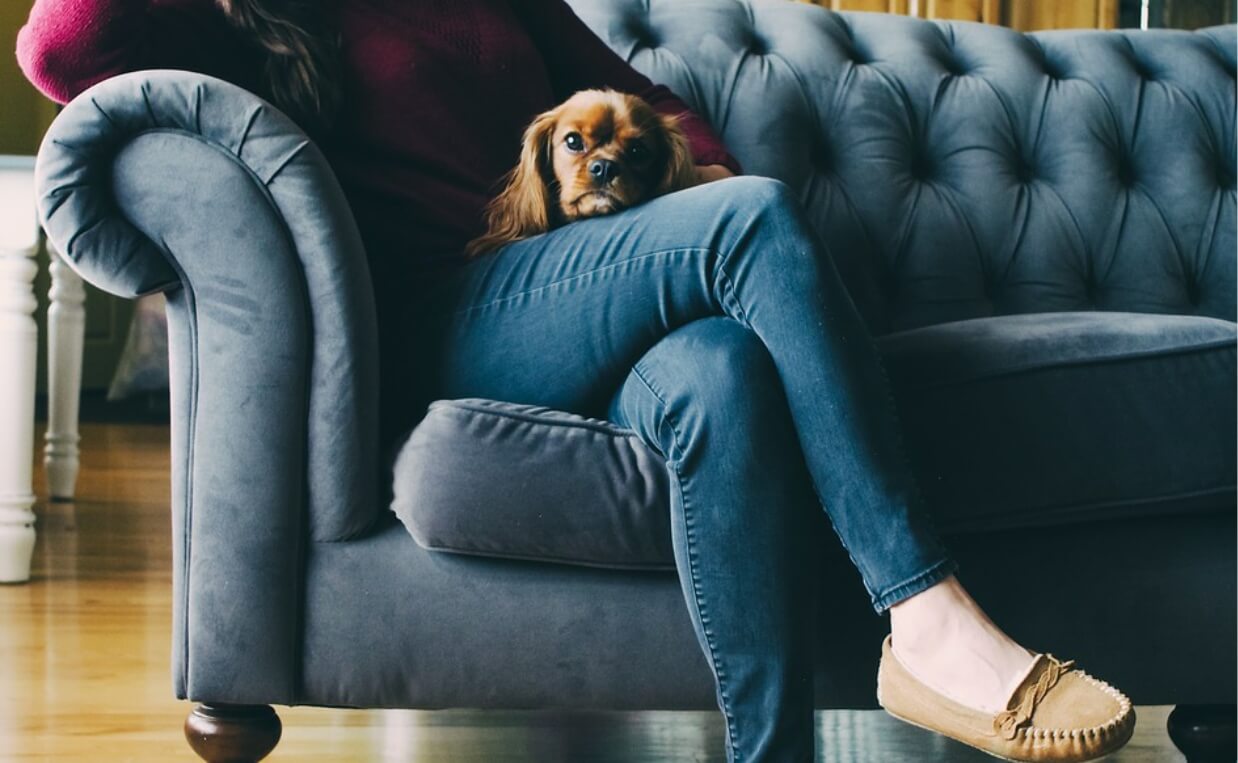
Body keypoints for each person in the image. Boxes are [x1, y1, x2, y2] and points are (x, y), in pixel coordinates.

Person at [17, 2, 1133, 761]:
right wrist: (720, 223)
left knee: (724, 369)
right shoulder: (251, 16)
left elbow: (639, 96)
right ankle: (927, 618)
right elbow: (61, 47)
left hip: (596, 287)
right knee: (750, 220)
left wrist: (679, 204)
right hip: (449, 312)